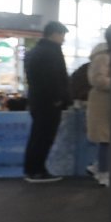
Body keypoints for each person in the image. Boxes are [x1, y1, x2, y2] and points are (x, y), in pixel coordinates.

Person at [22, 20, 71, 183]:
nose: (63, 39)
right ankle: (37, 171)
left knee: (37, 137)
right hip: (48, 103)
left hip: (38, 101)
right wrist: (57, 99)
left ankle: (33, 169)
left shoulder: (35, 51)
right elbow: (52, 78)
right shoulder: (50, 52)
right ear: (54, 34)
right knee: (44, 137)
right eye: (62, 35)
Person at [87, 26, 111, 186]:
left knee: (108, 139)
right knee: (106, 140)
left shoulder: (110, 54)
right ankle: (103, 173)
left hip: (109, 102)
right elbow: (97, 80)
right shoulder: (103, 57)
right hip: (102, 103)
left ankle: (98, 167)